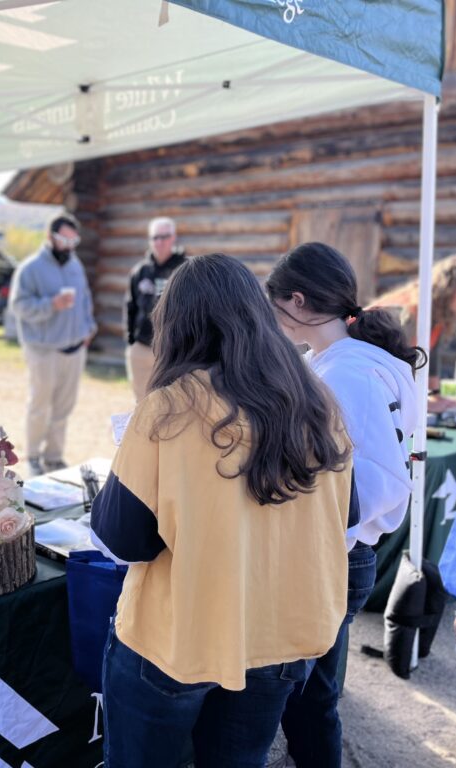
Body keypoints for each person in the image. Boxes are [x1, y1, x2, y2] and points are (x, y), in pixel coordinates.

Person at [92, 253, 356, 768]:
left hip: (176, 637)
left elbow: (123, 540)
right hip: (280, 637)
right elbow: (343, 518)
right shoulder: (317, 401)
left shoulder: (168, 409)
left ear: (177, 325)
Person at [266, 242, 423, 768]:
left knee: (307, 700)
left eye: (275, 305)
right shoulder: (358, 361)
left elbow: (376, 481)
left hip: (334, 555)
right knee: (315, 694)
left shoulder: (344, 375)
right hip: (346, 552)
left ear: (298, 301)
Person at [9, 213, 97, 475]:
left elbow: (85, 298)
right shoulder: (30, 268)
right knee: (40, 404)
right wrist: (51, 305)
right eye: (64, 238)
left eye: (74, 240)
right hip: (43, 350)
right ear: (50, 237)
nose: (69, 245)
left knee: (64, 407)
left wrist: (89, 328)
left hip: (74, 347)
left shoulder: (75, 265)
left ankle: (54, 457)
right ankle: (33, 456)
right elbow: (19, 306)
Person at [369, 253, 456, 384]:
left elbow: (431, 376)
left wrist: (438, 399)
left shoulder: (438, 317)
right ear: (447, 287)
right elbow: (389, 370)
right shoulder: (409, 311)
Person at [126, 216, 187, 402]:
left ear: (173, 237)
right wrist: (131, 340)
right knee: (142, 403)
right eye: (155, 237)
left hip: (174, 351)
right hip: (143, 347)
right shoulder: (140, 271)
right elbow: (130, 306)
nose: (159, 242)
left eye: (164, 236)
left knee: (173, 404)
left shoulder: (186, 269)